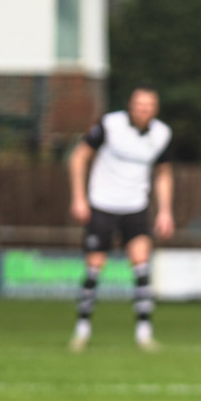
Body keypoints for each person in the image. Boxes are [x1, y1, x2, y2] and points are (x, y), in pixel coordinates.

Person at [67, 85, 174, 352]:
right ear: (130, 105)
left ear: (155, 109)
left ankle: (144, 333)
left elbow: (163, 173)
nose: (143, 110)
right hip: (102, 204)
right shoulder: (109, 124)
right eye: (139, 105)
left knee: (141, 266)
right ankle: (82, 330)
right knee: (94, 267)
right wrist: (79, 198)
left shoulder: (162, 134)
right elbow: (79, 157)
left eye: (149, 106)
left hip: (135, 207)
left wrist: (165, 211)